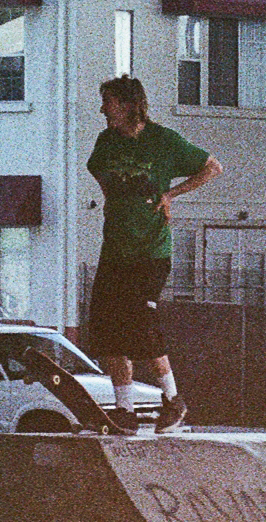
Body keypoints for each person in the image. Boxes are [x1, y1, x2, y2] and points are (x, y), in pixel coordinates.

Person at [84, 75, 219, 433]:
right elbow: (98, 171)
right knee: (109, 327)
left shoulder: (162, 141)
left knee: (140, 323)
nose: (102, 110)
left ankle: (173, 401)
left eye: (108, 102)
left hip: (150, 251)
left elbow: (212, 167)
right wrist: (119, 203)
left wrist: (170, 195)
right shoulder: (106, 143)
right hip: (115, 250)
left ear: (129, 105)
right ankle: (124, 409)